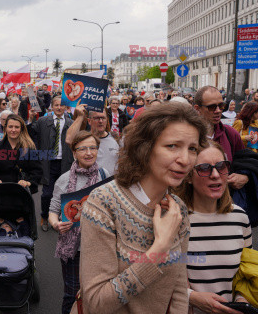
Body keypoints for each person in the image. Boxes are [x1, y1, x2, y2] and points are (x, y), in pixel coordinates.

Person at [74, 103, 208, 314]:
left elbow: (179, 289)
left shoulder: (177, 210)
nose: (185, 160)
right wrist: (160, 248)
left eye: (192, 148)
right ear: (145, 147)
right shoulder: (104, 203)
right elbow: (97, 303)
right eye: (172, 146)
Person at [175, 143, 252, 314]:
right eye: (204, 168)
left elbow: (247, 272)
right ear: (188, 177)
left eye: (221, 166)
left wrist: (241, 299)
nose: (215, 175)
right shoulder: (174, 219)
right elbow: (160, 278)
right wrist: (192, 297)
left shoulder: (240, 218)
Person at [48, 131, 110, 314]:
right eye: (82, 149)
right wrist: (55, 224)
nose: (89, 152)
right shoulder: (64, 179)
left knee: (99, 293)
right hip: (73, 248)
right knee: (71, 293)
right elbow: (53, 210)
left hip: (101, 246)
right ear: (74, 153)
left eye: (93, 148)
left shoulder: (105, 176)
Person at [31, 97, 73, 231]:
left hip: (65, 163)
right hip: (48, 163)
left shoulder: (71, 123)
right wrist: (31, 118)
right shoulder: (43, 121)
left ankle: (60, 219)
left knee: (64, 193)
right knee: (47, 194)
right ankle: (44, 216)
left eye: (61, 105)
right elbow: (32, 133)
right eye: (56, 105)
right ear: (52, 107)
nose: (59, 108)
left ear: (66, 107)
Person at [194, 86, 247, 190]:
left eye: (221, 106)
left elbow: (245, 163)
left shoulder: (230, 133)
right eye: (212, 107)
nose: (218, 111)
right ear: (197, 109)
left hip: (226, 199)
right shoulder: (188, 136)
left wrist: (244, 177)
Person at [0, 114, 42, 194]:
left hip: (22, 192)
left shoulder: (29, 148)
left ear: (21, 129)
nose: (13, 130)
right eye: (10, 127)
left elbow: (37, 170)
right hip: (1, 192)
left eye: (17, 127)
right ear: (5, 128)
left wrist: (28, 182)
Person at [66, 105, 119, 174]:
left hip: (112, 183)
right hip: (90, 183)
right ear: (89, 121)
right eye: (97, 118)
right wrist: (80, 116)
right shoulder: (84, 139)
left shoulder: (116, 138)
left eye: (103, 118)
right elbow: (69, 140)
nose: (100, 121)